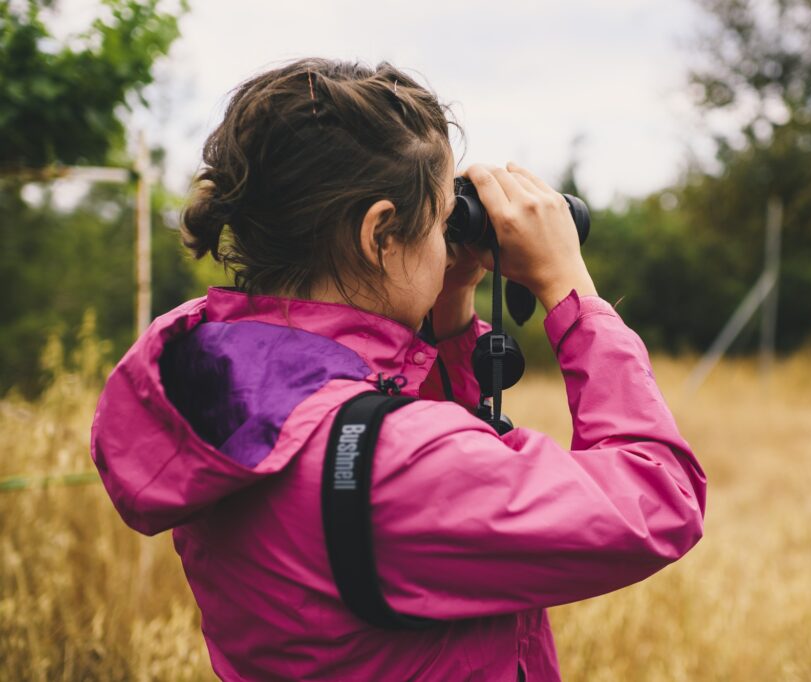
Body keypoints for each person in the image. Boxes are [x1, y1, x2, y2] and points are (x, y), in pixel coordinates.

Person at [90, 57, 707, 681]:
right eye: (443, 221)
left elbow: (385, 429)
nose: (449, 244)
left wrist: (450, 315)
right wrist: (569, 287)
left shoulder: (224, 391)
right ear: (380, 233)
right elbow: (659, 498)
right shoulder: (397, 465)